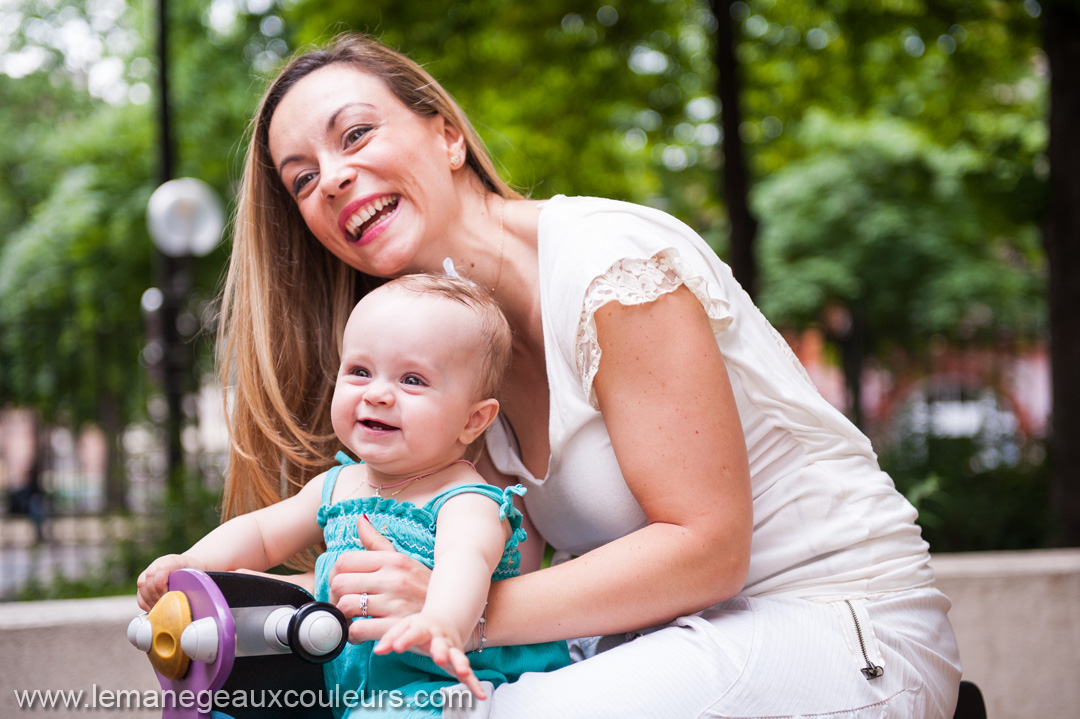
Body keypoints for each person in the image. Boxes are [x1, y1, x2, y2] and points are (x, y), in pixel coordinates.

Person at [215, 33, 962, 718]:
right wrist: (231, 605)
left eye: (356, 134)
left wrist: (457, 612)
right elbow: (493, 571)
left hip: (839, 626)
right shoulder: (448, 373)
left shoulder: (609, 265)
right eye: (304, 178)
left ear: (446, 134)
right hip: (663, 647)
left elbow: (710, 550)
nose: (335, 179)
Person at [138, 274, 571, 717]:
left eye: (413, 380)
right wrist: (194, 563)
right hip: (345, 685)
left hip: (440, 687)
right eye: (360, 371)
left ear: (473, 420)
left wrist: (442, 622)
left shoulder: (467, 500)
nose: (377, 393)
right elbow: (262, 533)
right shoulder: (338, 485)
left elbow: (467, 565)